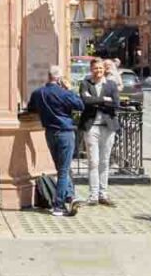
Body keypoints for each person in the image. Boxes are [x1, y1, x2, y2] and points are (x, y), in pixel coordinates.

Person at [27, 65, 84, 217]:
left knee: (61, 169)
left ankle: (70, 196)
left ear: (48, 76)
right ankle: (58, 205)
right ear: (59, 78)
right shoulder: (64, 93)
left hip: (49, 133)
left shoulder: (39, 93)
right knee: (64, 171)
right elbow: (80, 105)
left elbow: (31, 108)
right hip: (65, 132)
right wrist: (69, 89)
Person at [78, 58, 120, 207]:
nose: (98, 71)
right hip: (91, 127)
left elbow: (116, 104)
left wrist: (96, 100)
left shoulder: (111, 84)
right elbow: (85, 101)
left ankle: (104, 194)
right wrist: (104, 100)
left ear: (104, 70)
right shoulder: (85, 84)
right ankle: (93, 195)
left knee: (104, 162)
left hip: (108, 127)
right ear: (91, 69)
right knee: (93, 162)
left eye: (101, 69)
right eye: (96, 68)